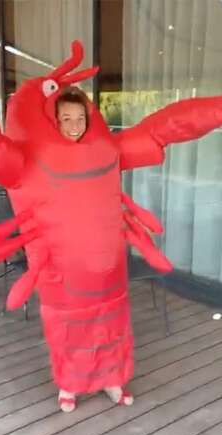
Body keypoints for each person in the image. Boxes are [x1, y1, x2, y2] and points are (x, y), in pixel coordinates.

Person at [53, 85, 133, 412]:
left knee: (108, 321)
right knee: (73, 325)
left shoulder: (101, 152)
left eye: (80, 117)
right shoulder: (45, 158)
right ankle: (69, 385)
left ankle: (111, 379)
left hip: (103, 253)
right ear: (54, 122)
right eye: (66, 118)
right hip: (67, 256)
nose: (74, 125)